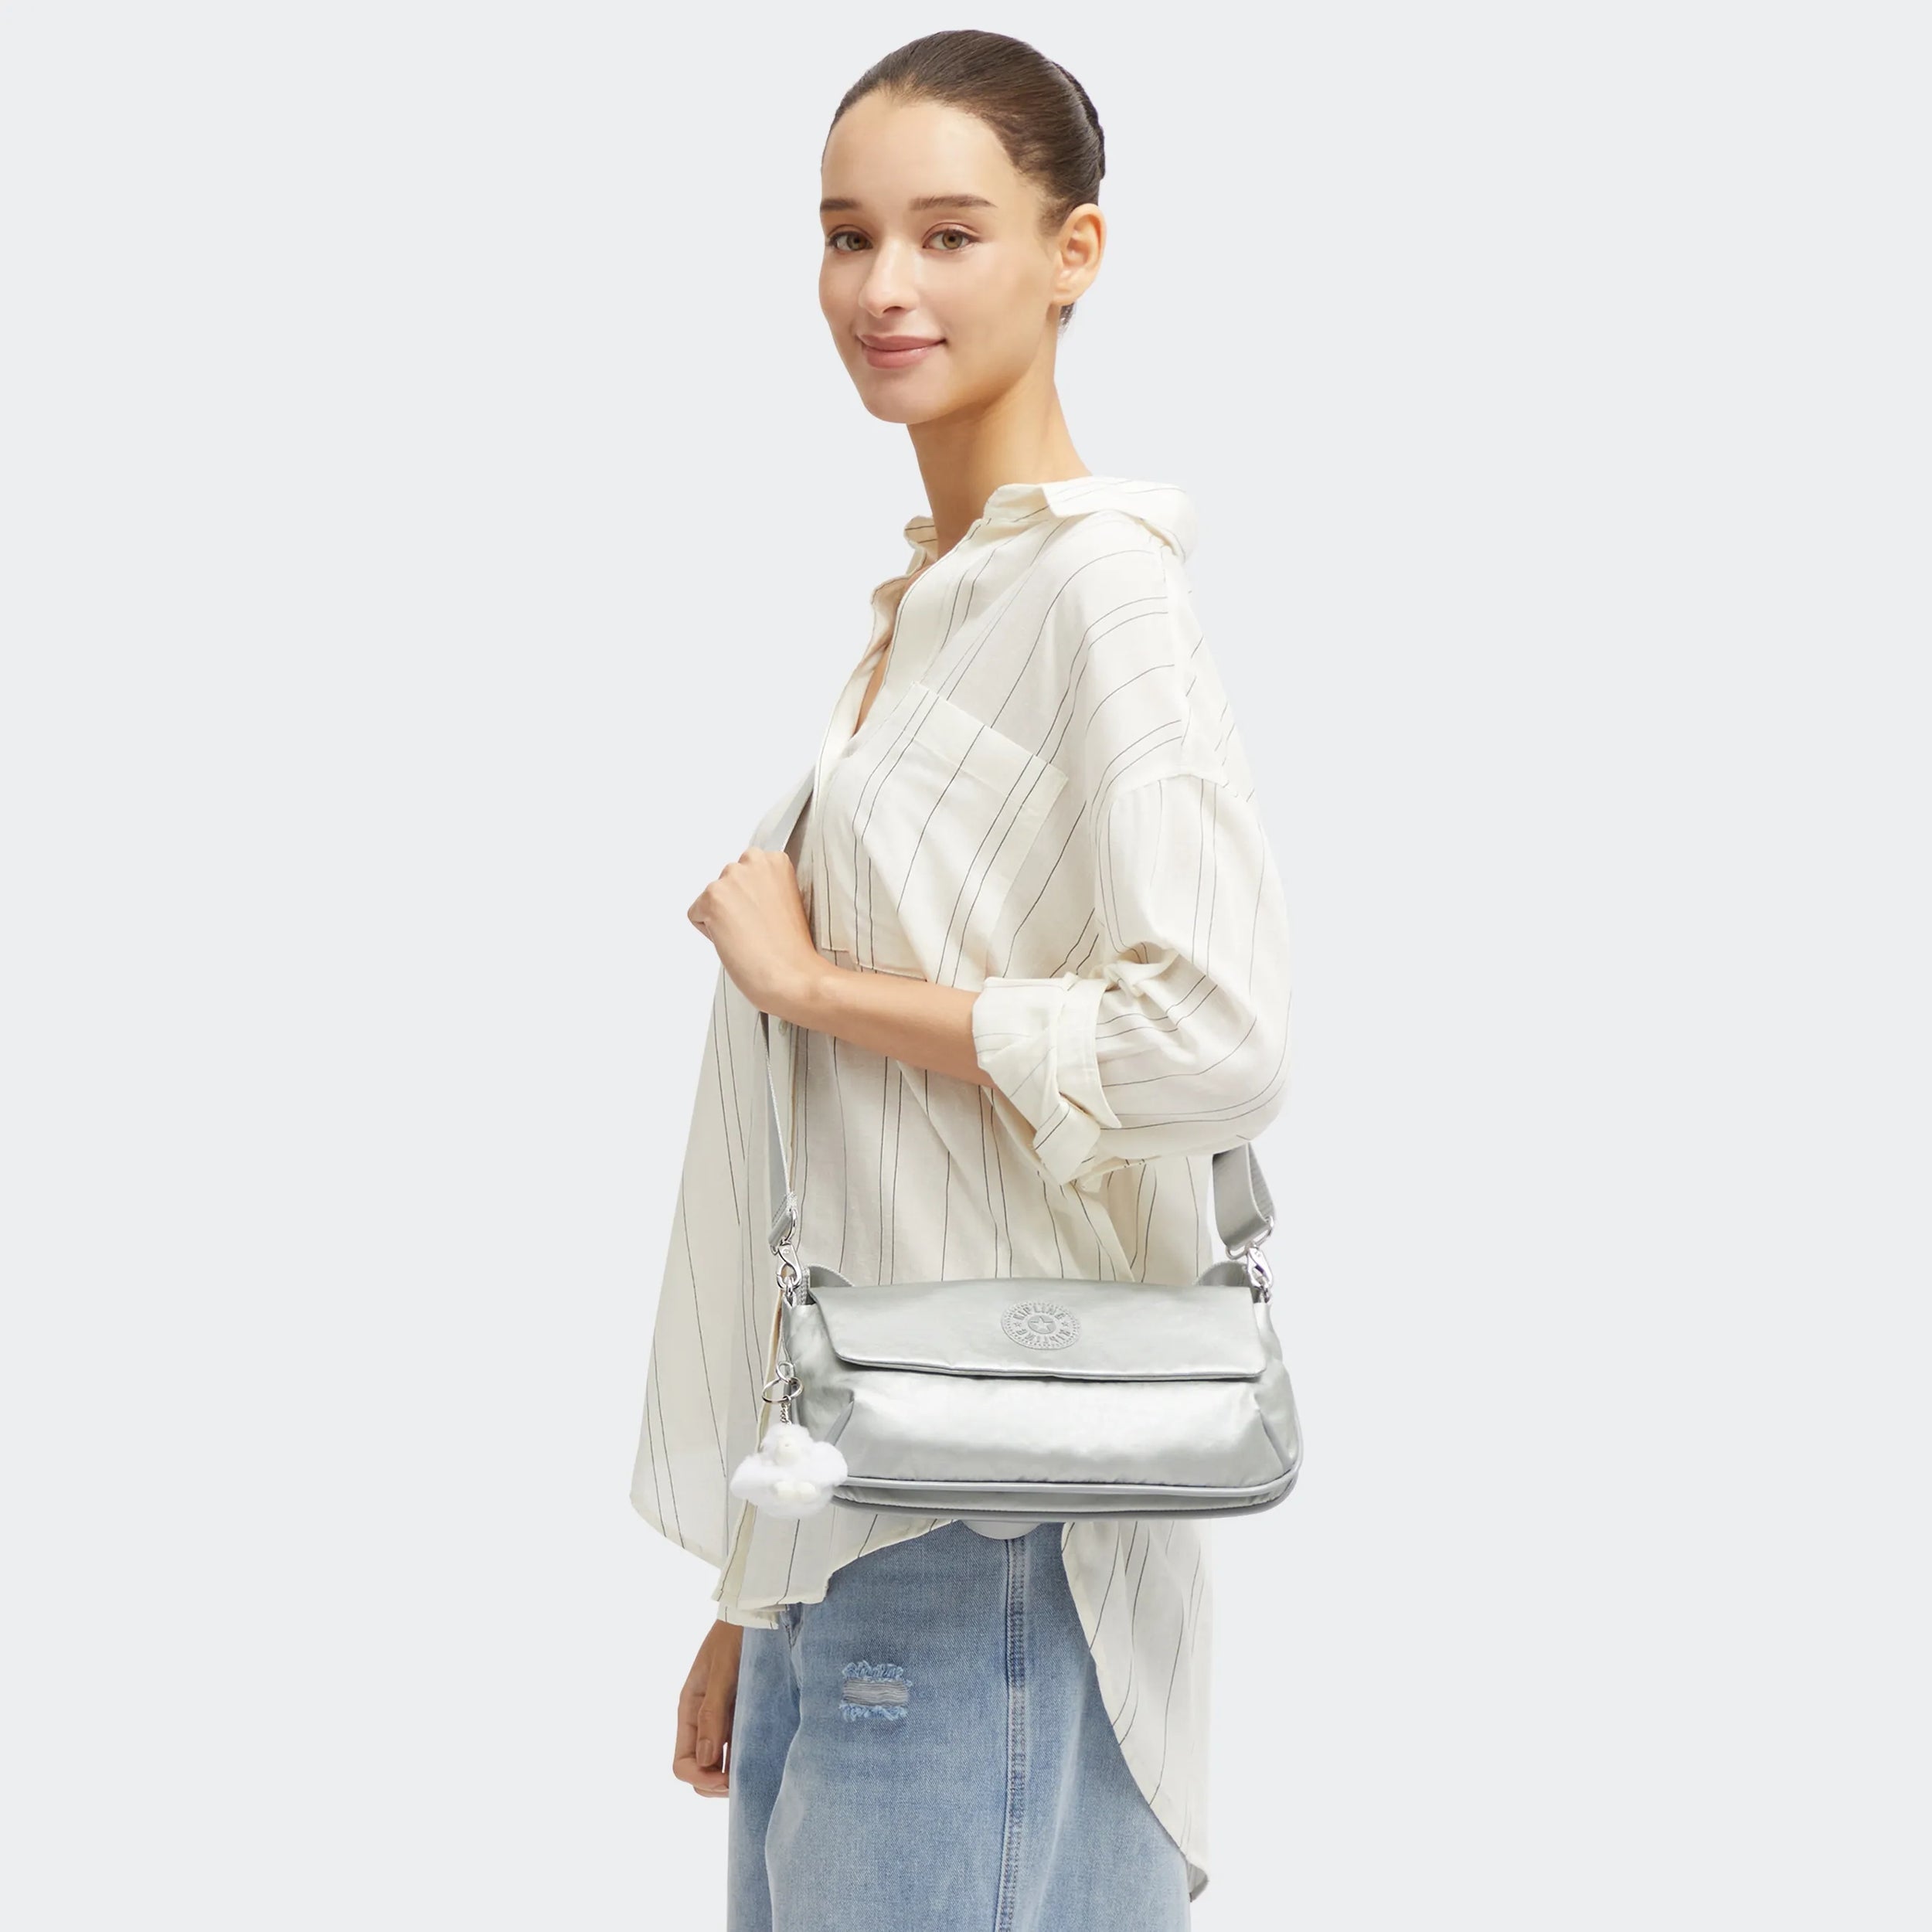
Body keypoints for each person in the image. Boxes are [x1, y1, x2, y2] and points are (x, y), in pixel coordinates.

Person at [629, 29, 1293, 1930]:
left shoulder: (1099, 593)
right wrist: (753, 1582)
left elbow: (1212, 1040)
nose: (882, 286)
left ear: (1073, 252)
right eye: (846, 235)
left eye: (946, 232)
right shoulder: (932, 608)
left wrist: (819, 985)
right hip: (858, 1514)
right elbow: (857, 1177)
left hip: (991, 1530)